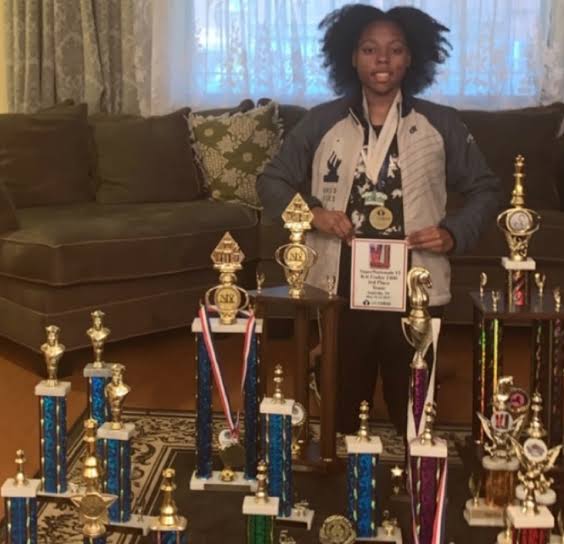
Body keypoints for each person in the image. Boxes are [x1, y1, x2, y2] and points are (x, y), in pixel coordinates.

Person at [257, 4, 502, 434]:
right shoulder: (322, 121)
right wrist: (314, 214)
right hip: (340, 283)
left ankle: (414, 466)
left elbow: (486, 188)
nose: (383, 59)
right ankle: (338, 458)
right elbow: (271, 180)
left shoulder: (441, 123)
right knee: (342, 408)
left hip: (415, 284)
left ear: (412, 58)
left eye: (395, 49)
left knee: (413, 408)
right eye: (370, 49)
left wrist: (453, 232)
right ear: (352, 57)